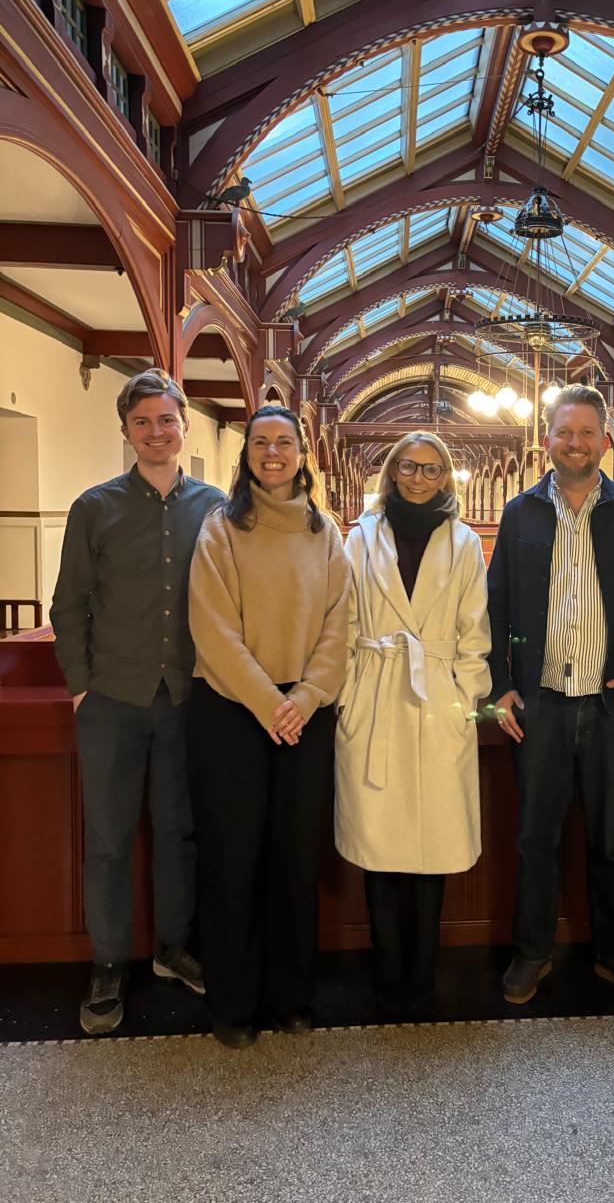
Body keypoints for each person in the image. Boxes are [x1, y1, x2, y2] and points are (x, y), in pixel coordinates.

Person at [51, 367, 225, 1036]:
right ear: (125, 430)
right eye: (142, 422)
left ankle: (173, 949)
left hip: (187, 697)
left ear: (185, 426)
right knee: (108, 838)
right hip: (111, 700)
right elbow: (69, 603)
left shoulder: (214, 506)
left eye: (166, 420)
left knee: (180, 833)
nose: (156, 432)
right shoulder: (94, 507)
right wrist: (80, 685)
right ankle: (107, 962)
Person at [487, 384, 614, 1006]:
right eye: (565, 432)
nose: (575, 443)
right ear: (547, 439)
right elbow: (494, 608)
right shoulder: (520, 514)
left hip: (611, 704)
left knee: (611, 841)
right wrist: (500, 686)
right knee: (534, 839)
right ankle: (531, 954)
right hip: (539, 705)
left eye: (587, 432)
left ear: (605, 441)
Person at [187, 405, 349, 1049]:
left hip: (303, 713)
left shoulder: (323, 532)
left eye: (285, 442)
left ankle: (291, 997)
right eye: (261, 442)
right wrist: (268, 702)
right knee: (232, 857)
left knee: (294, 856)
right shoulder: (221, 527)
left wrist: (304, 699)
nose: (273, 452)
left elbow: (340, 624)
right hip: (231, 710)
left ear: (302, 454)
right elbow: (213, 628)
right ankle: (232, 1004)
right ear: (247, 453)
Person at [335, 432, 491, 1013]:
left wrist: (464, 697)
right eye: (408, 466)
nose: (418, 478)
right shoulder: (360, 537)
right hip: (375, 693)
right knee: (379, 846)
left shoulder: (464, 542)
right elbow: (343, 622)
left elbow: (475, 631)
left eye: (430, 469)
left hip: (438, 698)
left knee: (433, 849)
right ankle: (386, 974)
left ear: (446, 476)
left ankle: (423, 974)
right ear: (392, 472)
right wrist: (348, 696)